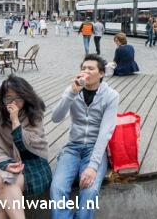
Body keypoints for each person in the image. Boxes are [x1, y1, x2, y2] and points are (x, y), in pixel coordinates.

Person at [50, 54, 119, 219]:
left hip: (95, 149)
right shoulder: (72, 90)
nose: (85, 71)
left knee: (90, 191)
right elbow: (56, 118)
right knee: (57, 187)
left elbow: (105, 132)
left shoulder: (111, 95)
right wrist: (71, 93)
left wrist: (92, 166)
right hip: (72, 147)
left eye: (90, 68)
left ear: (101, 74)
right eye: (83, 68)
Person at [0, 76, 52, 217]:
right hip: (10, 162)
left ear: (25, 96)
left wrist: (15, 121)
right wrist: (6, 164)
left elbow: (31, 145)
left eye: (18, 98)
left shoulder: (34, 113)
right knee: (3, 186)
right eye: (8, 98)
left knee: (2, 190)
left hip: (34, 162)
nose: (13, 102)